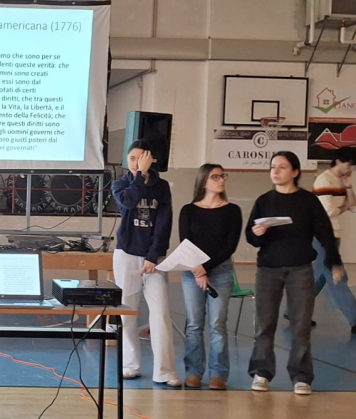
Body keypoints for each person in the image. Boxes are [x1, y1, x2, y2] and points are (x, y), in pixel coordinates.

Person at [246, 151, 343, 396]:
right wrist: (256, 233)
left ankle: (301, 376)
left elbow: (325, 233)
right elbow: (251, 237)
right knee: (265, 324)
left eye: (282, 167)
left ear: (295, 172)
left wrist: (334, 262)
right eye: (273, 167)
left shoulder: (308, 201)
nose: (275, 171)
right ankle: (262, 372)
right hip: (268, 269)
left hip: (300, 269)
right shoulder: (263, 201)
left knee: (301, 325)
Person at [111, 140, 180, 387]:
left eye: (142, 158)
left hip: (154, 258)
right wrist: (139, 174)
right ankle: (130, 364)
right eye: (132, 158)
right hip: (126, 254)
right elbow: (128, 202)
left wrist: (154, 256)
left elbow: (164, 223)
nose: (136, 162)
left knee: (160, 313)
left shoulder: (161, 187)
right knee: (127, 311)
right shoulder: (120, 183)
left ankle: (164, 370)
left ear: (151, 159)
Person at [178, 164, 242, 390]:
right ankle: (193, 371)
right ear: (204, 181)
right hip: (192, 272)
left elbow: (230, 245)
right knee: (194, 324)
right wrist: (197, 269)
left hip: (220, 271)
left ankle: (218, 374)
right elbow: (185, 242)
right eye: (215, 176)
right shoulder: (189, 210)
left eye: (223, 175)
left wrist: (205, 269)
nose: (221, 180)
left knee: (217, 323)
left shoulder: (232, 210)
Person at [310, 148, 356, 333]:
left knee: (318, 276)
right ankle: (355, 319)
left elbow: (353, 205)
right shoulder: (323, 180)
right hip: (320, 234)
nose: (351, 168)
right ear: (338, 161)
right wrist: (344, 206)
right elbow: (327, 211)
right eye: (349, 164)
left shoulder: (340, 181)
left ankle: (293, 311)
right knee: (338, 276)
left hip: (334, 233)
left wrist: (348, 186)